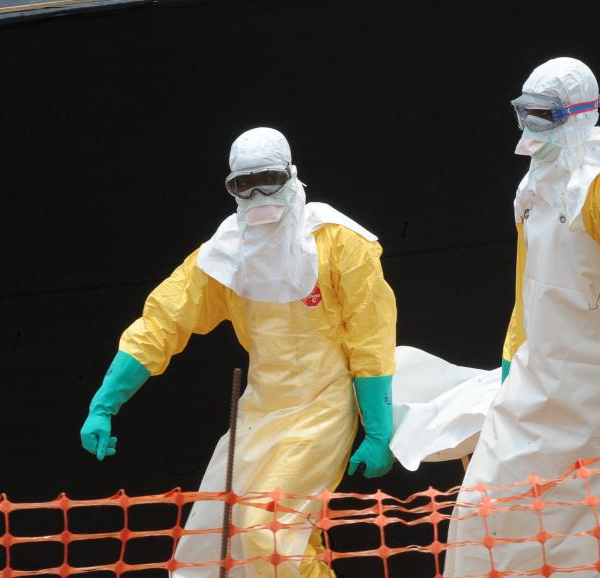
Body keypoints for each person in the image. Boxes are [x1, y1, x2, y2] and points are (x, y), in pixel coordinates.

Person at [78, 127, 397, 578]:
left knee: (267, 530)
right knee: (217, 544)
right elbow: (163, 321)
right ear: (231, 188)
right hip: (259, 413)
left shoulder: (339, 242)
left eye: (269, 178)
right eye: (244, 183)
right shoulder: (224, 253)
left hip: (323, 406)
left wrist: (378, 429)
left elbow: (371, 336)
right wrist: (105, 402)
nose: (258, 193)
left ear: (292, 175)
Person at [443, 57, 600, 578]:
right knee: (480, 517)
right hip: (535, 384)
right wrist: (511, 358)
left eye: (544, 115)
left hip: (594, 396)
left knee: (577, 544)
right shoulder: (535, 189)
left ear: (579, 115)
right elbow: (527, 286)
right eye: (525, 113)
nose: (531, 127)